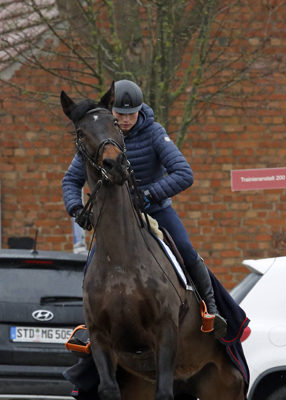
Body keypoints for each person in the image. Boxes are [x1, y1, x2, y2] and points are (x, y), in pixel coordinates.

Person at [62, 79, 227, 338]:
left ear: (140, 111)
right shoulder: (99, 134)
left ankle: (210, 309)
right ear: (111, 112)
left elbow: (184, 173)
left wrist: (149, 195)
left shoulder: (153, 132)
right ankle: (89, 326)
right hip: (115, 218)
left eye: (131, 114)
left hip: (155, 209)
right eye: (120, 114)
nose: (126, 120)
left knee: (185, 249)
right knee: (93, 262)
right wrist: (75, 208)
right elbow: (71, 180)